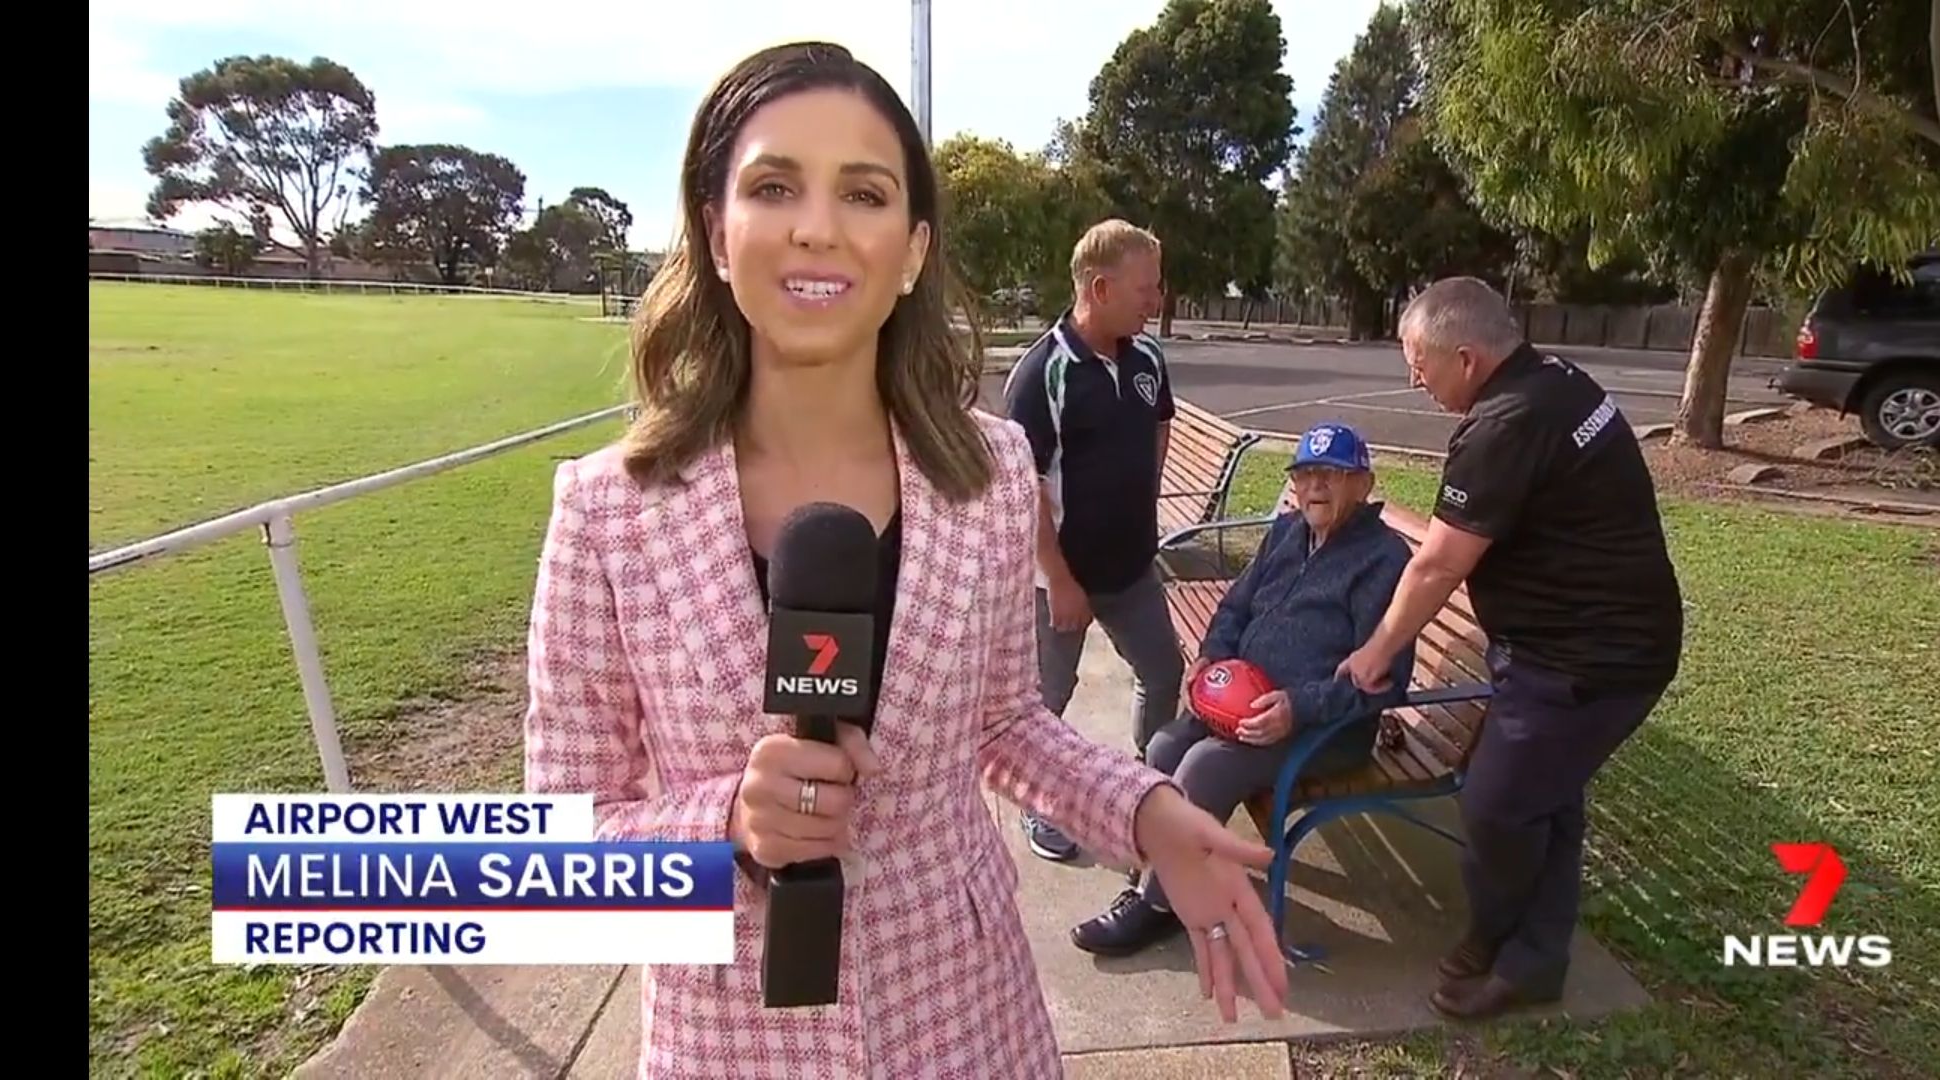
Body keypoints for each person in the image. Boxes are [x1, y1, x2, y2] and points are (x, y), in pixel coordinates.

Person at [520, 42, 1288, 1077]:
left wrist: (1146, 812)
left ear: (914, 248)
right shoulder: (607, 512)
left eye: (864, 193)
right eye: (775, 186)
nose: (818, 226)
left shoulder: (990, 473)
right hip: (730, 1044)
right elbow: (560, 853)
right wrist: (726, 824)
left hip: (967, 1020)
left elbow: (1006, 725)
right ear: (715, 231)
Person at [1335, 277, 1685, 1021]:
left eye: (1420, 365)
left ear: (1465, 358)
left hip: (1586, 660)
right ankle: (1534, 955)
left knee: (1496, 806)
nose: (1415, 381)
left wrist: (1376, 651)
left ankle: (1504, 942)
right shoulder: (1556, 381)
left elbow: (1439, 564)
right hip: (1595, 641)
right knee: (1544, 800)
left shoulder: (1506, 422)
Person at [1072, 422, 1416, 956]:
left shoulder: (1385, 560)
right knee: (1164, 746)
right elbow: (1236, 605)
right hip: (1243, 701)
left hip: (1327, 728)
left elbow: (1385, 682)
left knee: (1206, 766)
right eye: (1306, 474)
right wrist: (1213, 654)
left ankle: (1160, 905)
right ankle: (1165, 867)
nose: (1315, 486)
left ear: (1363, 484)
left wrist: (1297, 707)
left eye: (1332, 474)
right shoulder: (1287, 532)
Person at [1001, 219, 1187, 863]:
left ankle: (1146, 789)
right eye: (1145, 289)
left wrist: (1141, 497)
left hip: (1132, 570)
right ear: (1100, 289)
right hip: (1062, 577)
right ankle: (1042, 810)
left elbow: (1159, 422)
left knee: (1163, 672)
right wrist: (1057, 578)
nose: (1155, 301)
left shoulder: (1148, 357)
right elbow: (1023, 488)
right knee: (1043, 703)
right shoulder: (1041, 375)